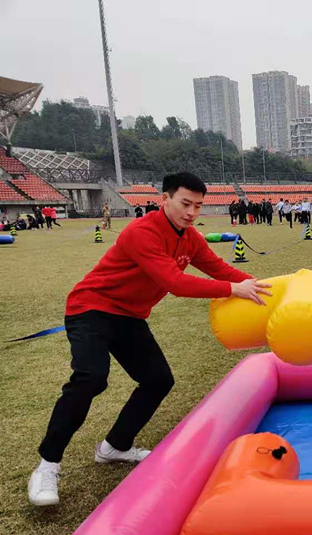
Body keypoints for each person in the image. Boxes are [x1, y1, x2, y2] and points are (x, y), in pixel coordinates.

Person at [28, 172, 272, 507]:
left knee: (158, 380)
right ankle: (47, 465)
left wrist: (266, 288)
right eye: (185, 203)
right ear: (165, 199)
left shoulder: (190, 237)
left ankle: (115, 446)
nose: (191, 212)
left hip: (129, 316)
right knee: (91, 378)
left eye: (198, 206)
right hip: (91, 308)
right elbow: (176, 283)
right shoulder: (141, 232)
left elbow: (220, 269)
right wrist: (233, 290)